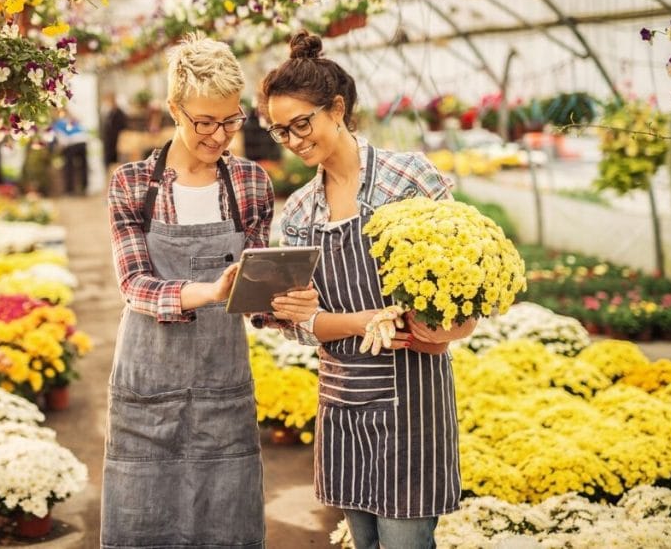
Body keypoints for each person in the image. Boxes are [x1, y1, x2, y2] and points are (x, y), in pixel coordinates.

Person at [252, 31, 477, 549]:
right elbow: (306, 325)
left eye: (301, 124)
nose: (293, 140)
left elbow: (468, 289)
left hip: (411, 401)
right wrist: (356, 320)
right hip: (343, 400)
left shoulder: (406, 179)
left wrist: (441, 331)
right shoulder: (302, 210)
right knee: (363, 542)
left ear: (336, 108)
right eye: (280, 130)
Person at [101, 33, 316, 548]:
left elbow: (256, 299)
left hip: (223, 379)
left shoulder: (251, 185)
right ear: (175, 109)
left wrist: (287, 307)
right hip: (148, 380)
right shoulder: (132, 184)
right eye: (205, 122)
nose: (219, 135)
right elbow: (135, 285)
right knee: (142, 520)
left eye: (230, 120)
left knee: (226, 522)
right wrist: (210, 290)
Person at [53, 111, 89, 195]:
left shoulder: (58, 124)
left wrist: (59, 150)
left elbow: (62, 139)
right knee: (83, 166)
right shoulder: (72, 120)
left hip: (72, 144)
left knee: (69, 167)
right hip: (83, 141)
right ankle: (84, 187)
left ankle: (70, 190)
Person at [100, 92, 128, 172]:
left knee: (115, 164)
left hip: (115, 143)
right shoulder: (109, 113)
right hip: (108, 143)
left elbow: (122, 129)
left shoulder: (119, 113)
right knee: (107, 164)